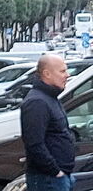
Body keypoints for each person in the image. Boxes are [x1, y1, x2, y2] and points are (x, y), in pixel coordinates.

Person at [20, 53, 74, 191]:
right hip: (48, 179)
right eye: (62, 71)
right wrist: (55, 171)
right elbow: (34, 144)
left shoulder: (50, 98)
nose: (67, 75)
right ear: (47, 74)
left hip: (59, 177)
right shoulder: (37, 102)